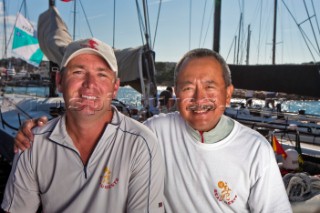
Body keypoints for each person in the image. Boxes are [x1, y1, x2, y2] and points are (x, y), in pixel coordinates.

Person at [13, 48, 291, 212]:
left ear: (229, 94)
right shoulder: (156, 130)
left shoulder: (255, 150)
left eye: (210, 87)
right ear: (176, 94)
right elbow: (106, 129)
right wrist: (42, 130)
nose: (198, 98)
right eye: (187, 88)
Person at [1, 38, 164, 213]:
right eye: (78, 72)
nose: (89, 85)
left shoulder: (141, 144)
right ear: (59, 81)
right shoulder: (33, 143)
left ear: (115, 87)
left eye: (101, 74)